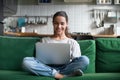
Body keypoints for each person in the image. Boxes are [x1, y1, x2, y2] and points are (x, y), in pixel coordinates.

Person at [22, 11, 89, 79]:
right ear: (53, 24)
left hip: (66, 67)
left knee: (85, 60)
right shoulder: (44, 40)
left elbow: (76, 61)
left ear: (67, 24)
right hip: (46, 67)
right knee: (26, 61)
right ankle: (59, 75)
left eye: (62, 24)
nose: (59, 26)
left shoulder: (73, 42)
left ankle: (53, 73)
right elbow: (39, 60)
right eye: (56, 23)